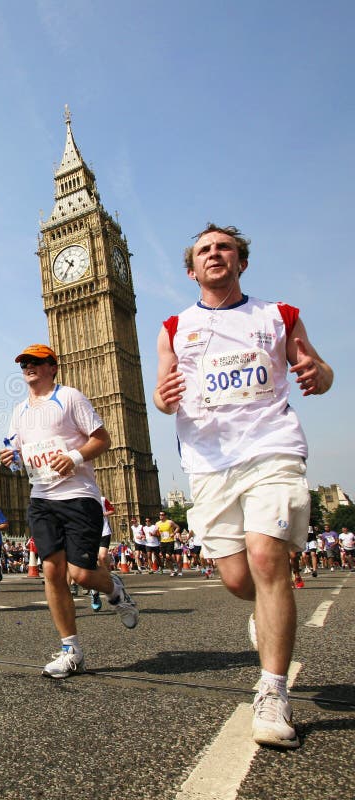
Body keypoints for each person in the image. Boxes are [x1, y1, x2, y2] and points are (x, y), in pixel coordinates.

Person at [154, 223, 333, 749]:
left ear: (241, 262)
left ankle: (273, 690)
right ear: (192, 269)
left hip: (271, 448)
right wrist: (164, 397)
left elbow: (320, 370)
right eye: (204, 249)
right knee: (237, 577)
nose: (215, 254)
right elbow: (164, 397)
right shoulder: (173, 326)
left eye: (224, 247)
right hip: (209, 461)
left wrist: (318, 374)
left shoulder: (279, 316)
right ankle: (265, 614)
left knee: (267, 558)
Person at [0, 344, 138, 678]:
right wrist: (11, 459)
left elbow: (102, 439)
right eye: (24, 364)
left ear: (52, 367)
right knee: (51, 571)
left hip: (78, 495)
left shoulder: (71, 397)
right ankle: (70, 649)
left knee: (81, 574)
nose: (29, 367)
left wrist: (74, 457)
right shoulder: (19, 411)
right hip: (42, 497)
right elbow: (15, 452)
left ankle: (115, 589)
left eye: (36, 362)